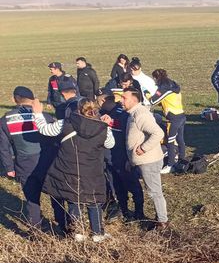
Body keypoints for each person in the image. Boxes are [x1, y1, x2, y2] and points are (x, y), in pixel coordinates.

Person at [33, 98, 115, 242]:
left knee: (73, 200)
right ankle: (97, 233)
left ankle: (78, 232)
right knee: (94, 200)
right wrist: (107, 125)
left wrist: (38, 114)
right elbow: (110, 144)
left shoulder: (65, 123)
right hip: (93, 171)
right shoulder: (103, 127)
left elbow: (44, 129)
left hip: (70, 169)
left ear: (77, 109)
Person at [0, 87, 58, 229]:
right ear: (33, 99)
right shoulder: (44, 116)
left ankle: (36, 228)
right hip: (47, 162)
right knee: (56, 195)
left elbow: (4, 147)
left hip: (24, 164)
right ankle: (63, 224)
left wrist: (9, 167)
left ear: (14, 99)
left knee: (32, 198)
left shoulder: (5, 120)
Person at [120, 87, 169, 230]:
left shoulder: (140, 114)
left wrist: (143, 148)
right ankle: (160, 219)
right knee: (153, 190)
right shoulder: (133, 113)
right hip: (141, 160)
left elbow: (158, 133)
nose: (121, 101)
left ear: (134, 100)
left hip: (149, 160)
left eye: (124, 98)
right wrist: (131, 160)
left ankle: (162, 222)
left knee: (154, 192)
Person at [97, 95, 145, 221]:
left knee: (133, 186)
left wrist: (130, 159)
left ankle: (139, 213)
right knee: (117, 187)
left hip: (124, 158)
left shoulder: (123, 114)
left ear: (103, 101)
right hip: (110, 158)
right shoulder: (102, 113)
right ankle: (124, 211)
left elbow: (130, 138)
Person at [149, 69, 186, 174]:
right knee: (180, 139)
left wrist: (147, 95)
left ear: (156, 78)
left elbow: (153, 101)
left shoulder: (163, 88)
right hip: (182, 115)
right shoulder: (173, 85)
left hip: (173, 118)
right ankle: (182, 160)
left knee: (170, 141)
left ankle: (170, 165)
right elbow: (167, 99)